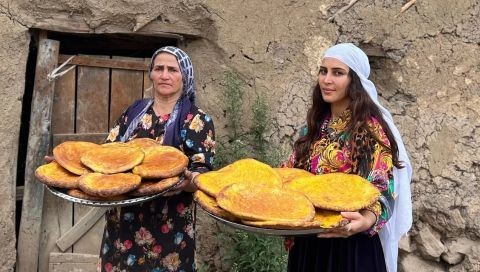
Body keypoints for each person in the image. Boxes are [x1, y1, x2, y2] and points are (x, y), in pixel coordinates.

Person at [283, 43, 412, 272]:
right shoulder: (313, 128)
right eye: (323, 71)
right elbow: (290, 175)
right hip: (308, 244)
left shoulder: (370, 130)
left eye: (338, 73)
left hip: (349, 247)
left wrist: (365, 220)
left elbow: (384, 189)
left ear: (355, 81)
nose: (327, 79)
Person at [99, 46, 215, 271]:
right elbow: (107, 154)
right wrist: (71, 166)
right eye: (159, 68)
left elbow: (202, 173)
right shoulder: (134, 112)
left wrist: (184, 181)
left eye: (172, 70)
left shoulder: (196, 120)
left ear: (185, 76)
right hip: (122, 223)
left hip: (168, 228)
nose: (164, 75)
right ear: (151, 73)